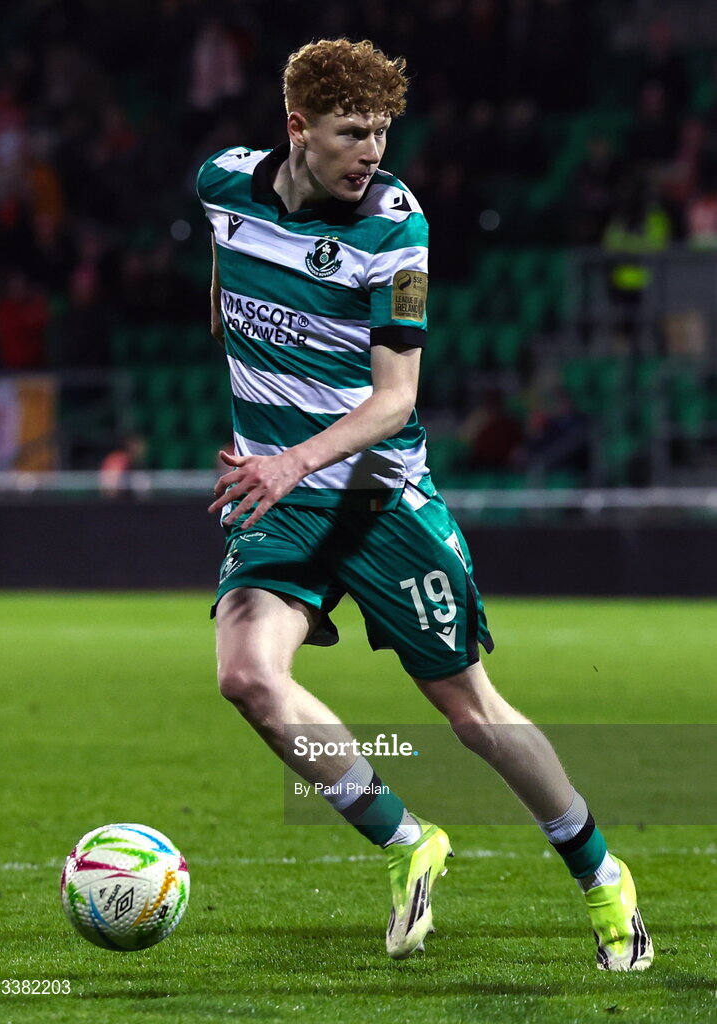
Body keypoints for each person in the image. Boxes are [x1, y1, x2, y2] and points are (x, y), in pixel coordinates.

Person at [198, 38, 652, 971]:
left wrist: (287, 461)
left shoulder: (395, 227)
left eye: (382, 131)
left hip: (374, 495)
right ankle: (411, 841)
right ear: (297, 129)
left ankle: (605, 881)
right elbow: (225, 290)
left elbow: (395, 401)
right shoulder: (221, 186)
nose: (372, 151)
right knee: (246, 675)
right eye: (351, 132)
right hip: (281, 499)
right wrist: (260, 428)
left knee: (469, 713)